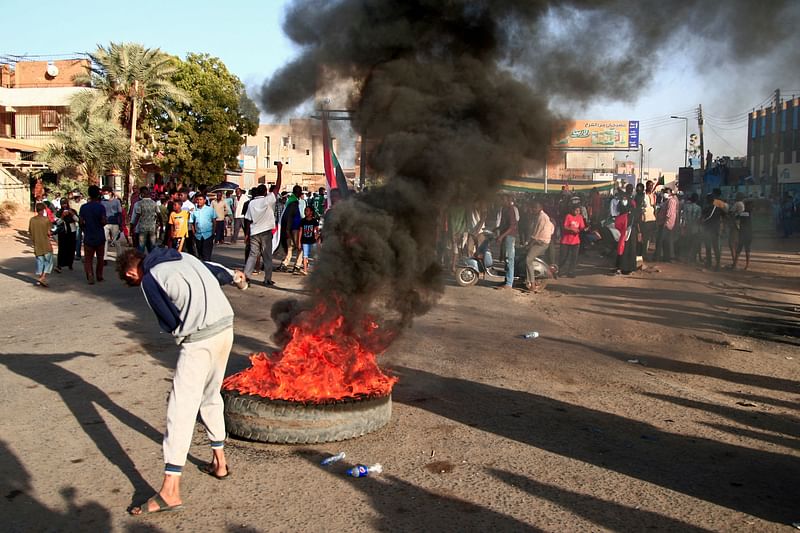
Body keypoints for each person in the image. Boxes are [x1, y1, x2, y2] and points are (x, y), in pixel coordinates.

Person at [116, 247, 247, 516]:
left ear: (131, 271)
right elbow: (220, 272)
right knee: (211, 396)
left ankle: (170, 490)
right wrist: (238, 278)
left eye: (132, 280)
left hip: (200, 340)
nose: (137, 283)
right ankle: (219, 462)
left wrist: (184, 331)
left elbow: (170, 321)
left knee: (180, 410)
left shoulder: (151, 278)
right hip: (226, 328)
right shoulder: (183, 256)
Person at [245, 162, 283, 286]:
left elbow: (248, 219)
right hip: (266, 232)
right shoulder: (267, 200)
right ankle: (267, 279)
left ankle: (246, 277)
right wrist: (279, 170)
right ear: (266, 191)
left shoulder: (251, 203)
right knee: (267, 257)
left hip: (254, 232)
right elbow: (277, 187)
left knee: (252, 256)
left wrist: (247, 234)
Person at [79, 185, 107, 284]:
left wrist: (84, 230)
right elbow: (104, 221)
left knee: (88, 259)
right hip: (99, 235)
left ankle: (90, 275)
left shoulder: (84, 207)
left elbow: (81, 222)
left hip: (88, 235)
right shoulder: (101, 207)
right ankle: (99, 275)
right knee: (100, 258)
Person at [524, 200, 553, 290]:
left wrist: (529, 244)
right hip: (543, 241)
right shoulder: (542, 216)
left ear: (540, 208)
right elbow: (552, 228)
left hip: (541, 242)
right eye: (533, 208)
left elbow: (536, 234)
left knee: (528, 260)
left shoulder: (541, 217)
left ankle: (532, 284)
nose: (533, 210)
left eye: (535, 208)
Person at [279, 185, 305, 273]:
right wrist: (287, 230)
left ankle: (285, 263)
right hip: (293, 229)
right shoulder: (293, 203)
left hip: (290, 228)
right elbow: (289, 217)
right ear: (297, 193)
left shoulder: (290, 201)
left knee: (290, 247)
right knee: (299, 247)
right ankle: (297, 265)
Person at [495, 195, 519, 290]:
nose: (502, 202)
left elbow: (512, 226)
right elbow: (503, 224)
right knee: (506, 258)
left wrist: (501, 236)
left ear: (509, 200)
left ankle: (509, 283)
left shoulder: (510, 210)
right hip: (506, 235)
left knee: (509, 258)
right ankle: (507, 280)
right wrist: (496, 229)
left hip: (509, 236)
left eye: (503, 200)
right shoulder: (504, 209)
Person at [28, 202, 54, 287]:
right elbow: (49, 233)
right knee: (48, 261)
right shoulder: (46, 220)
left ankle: (40, 277)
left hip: (36, 243)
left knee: (40, 261)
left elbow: (30, 231)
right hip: (45, 243)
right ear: (43, 210)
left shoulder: (32, 220)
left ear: (36, 210)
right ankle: (42, 277)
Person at [130, 186, 161, 254]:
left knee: (141, 247)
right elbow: (159, 214)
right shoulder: (154, 203)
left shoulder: (139, 204)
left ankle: (141, 262)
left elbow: (135, 217)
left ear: (141, 194)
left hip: (141, 229)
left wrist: (132, 227)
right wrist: (160, 225)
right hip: (151, 229)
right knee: (152, 247)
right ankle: (152, 261)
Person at [559, 203, 585, 278]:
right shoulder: (568, 216)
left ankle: (571, 271)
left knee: (574, 258)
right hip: (566, 240)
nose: (577, 212)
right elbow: (564, 226)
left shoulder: (580, 217)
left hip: (576, 241)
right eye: (576, 210)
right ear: (572, 210)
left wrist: (582, 229)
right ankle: (560, 270)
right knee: (563, 257)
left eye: (579, 211)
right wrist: (571, 229)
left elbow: (582, 226)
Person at [101, 185, 125, 264]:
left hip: (115, 224)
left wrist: (121, 224)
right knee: (104, 241)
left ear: (111, 193)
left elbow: (120, 213)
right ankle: (104, 258)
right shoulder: (102, 201)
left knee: (116, 241)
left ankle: (120, 258)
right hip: (105, 224)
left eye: (106, 193)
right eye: (104, 193)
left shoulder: (117, 201)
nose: (105, 194)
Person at [654, 188, 678, 262]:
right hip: (663, 223)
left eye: (667, 192)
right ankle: (666, 257)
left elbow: (669, 213)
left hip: (667, 224)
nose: (665, 194)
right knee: (665, 241)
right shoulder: (667, 201)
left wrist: (665, 222)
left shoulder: (671, 201)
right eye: (664, 192)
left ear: (671, 193)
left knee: (661, 240)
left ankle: (658, 257)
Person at [701, 193, 724, 271]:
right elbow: (725, 216)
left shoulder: (705, 208)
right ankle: (718, 264)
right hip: (716, 230)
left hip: (707, 229)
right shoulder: (718, 208)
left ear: (707, 200)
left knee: (708, 247)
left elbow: (702, 218)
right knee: (716, 247)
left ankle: (709, 263)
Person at [54, 198, 78, 273]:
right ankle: (59, 265)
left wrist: (72, 214)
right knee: (62, 248)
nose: (64, 205)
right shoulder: (59, 212)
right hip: (62, 232)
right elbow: (57, 223)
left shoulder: (72, 211)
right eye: (62, 204)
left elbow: (77, 219)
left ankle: (70, 263)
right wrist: (62, 216)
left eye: (65, 203)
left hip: (72, 231)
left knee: (71, 248)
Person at [192, 194, 217, 261]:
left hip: (208, 235)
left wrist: (213, 232)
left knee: (207, 254)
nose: (199, 201)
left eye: (200, 199)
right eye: (197, 199)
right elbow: (192, 223)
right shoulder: (194, 211)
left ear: (204, 200)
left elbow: (214, 221)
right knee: (200, 254)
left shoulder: (210, 210)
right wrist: (194, 232)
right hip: (198, 235)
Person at [681, 192, 702, 264]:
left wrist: (683, 227)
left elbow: (684, 217)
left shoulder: (686, 206)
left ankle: (687, 258)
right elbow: (699, 219)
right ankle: (693, 258)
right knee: (694, 243)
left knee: (687, 242)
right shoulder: (699, 208)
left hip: (687, 226)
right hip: (695, 227)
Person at [733, 199, 754, 270]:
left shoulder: (746, 213)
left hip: (744, 233)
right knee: (745, 249)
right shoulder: (748, 212)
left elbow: (736, 217)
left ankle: (736, 264)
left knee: (741, 249)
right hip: (747, 233)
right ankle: (744, 265)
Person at [299, 206, 320, 275]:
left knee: (315, 256)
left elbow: (317, 231)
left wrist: (317, 239)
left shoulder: (314, 221)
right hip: (305, 241)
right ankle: (305, 270)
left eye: (307, 211)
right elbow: (300, 231)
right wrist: (299, 242)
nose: (305, 212)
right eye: (305, 210)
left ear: (311, 212)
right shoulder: (303, 221)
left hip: (313, 241)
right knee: (305, 256)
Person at [72, 190, 86, 261]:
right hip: (73, 223)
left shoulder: (84, 203)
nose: (76, 198)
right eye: (75, 197)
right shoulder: (71, 202)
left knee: (79, 239)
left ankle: (78, 254)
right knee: (75, 239)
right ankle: (75, 253)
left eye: (77, 197)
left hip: (81, 223)